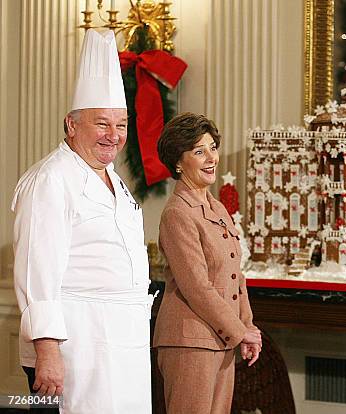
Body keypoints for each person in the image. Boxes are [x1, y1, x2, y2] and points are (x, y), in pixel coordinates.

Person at [11, 30, 152, 413]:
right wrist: (48, 352)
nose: (114, 136)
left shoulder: (114, 180)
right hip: (78, 348)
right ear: (71, 125)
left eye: (121, 125)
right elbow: (35, 272)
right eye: (102, 124)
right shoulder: (51, 180)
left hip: (123, 348)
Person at [154, 112, 262, 414]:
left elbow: (234, 276)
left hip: (221, 340)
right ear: (178, 162)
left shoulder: (217, 208)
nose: (211, 157)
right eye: (199, 151)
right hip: (189, 344)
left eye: (213, 147)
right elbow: (197, 286)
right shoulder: (177, 213)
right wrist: (240, 331)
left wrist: (246, 326)